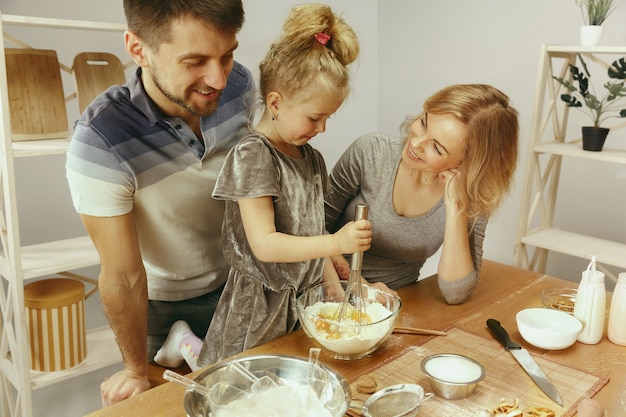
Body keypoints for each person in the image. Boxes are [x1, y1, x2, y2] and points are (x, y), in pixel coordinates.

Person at [153, 3, 369, 370]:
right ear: (276, 103)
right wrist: (337, 244)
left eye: (328, 118)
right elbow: (265, 245)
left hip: (299, 299)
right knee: (232, 379)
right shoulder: (254, 156)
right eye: (315, 117)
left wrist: (332, 286)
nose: (322, 129)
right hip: (257, 303)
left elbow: (311, 230)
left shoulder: (312, 159)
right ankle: (186, 342)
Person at [65, 0, 253, 406]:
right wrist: (135, 371)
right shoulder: (100, 139)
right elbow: (122, 276)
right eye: (195, 61)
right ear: (138, 49)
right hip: (161, 309)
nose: (219, 79)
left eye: (227, 54)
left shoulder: (241, 87)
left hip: (240, 284)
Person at [325, 84, 519, 304]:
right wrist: (360, 285)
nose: (415, 143)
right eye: (424, 123)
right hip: (326, 291)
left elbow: (455, 292)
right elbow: (310, 230)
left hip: (393, 305)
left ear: (468, 163)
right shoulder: (371, 153)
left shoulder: (470, 195)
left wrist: (456, 208)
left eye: (437, 148)